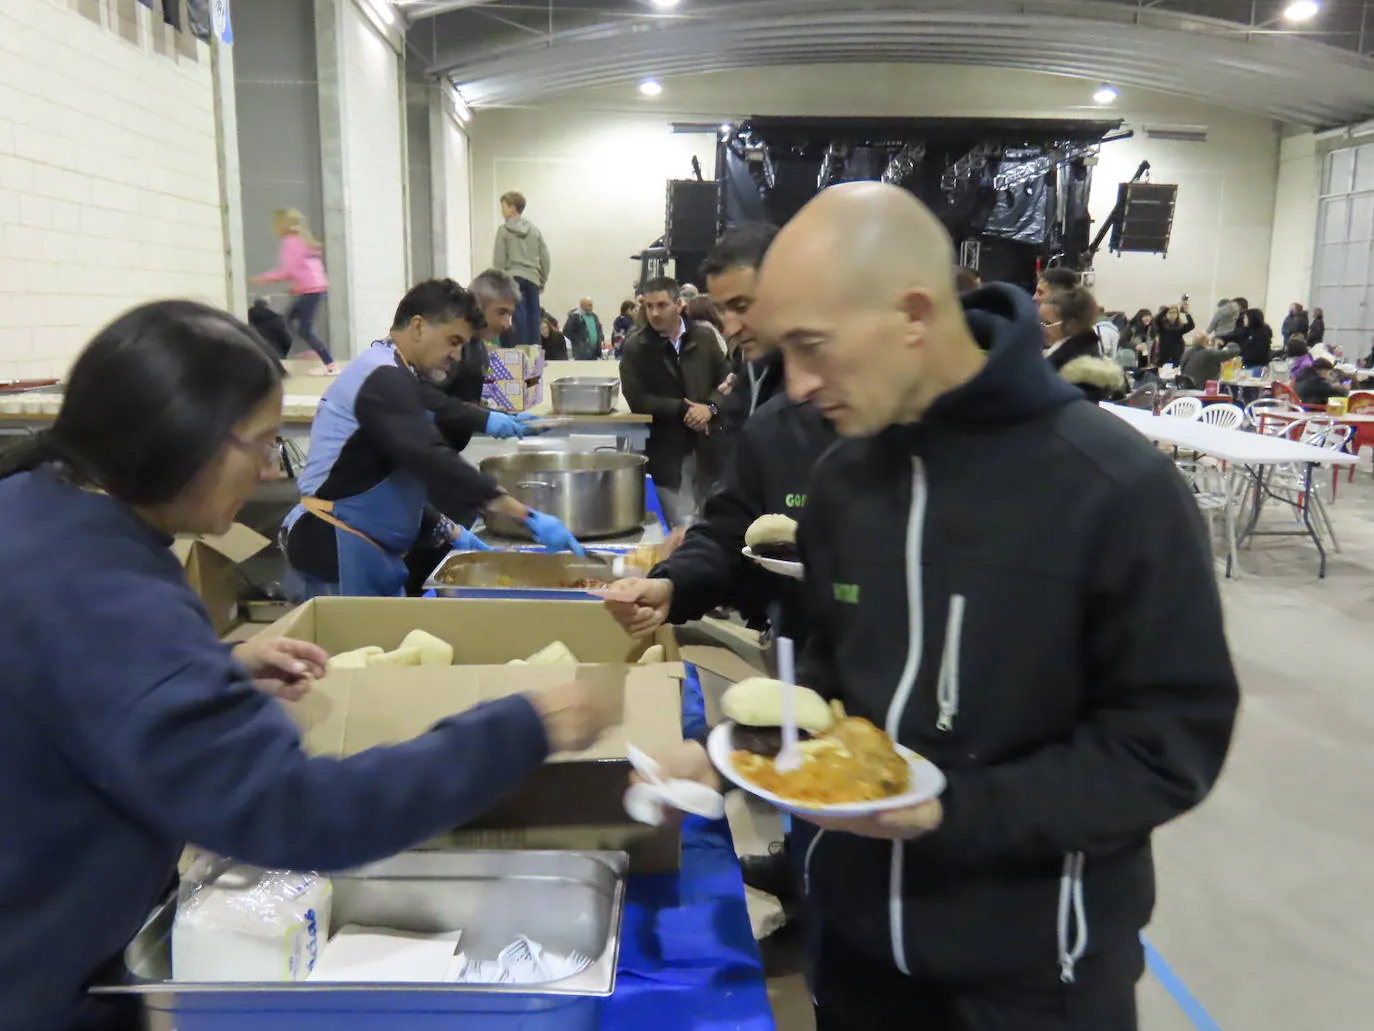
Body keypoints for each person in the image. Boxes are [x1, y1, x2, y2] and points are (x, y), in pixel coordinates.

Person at [639, 182, 1238, 1031]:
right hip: (857, 957)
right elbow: (837, 675)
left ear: (914, 313)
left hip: (1034, 976)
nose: (797, 386)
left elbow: (1166, 748)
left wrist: (950, 810)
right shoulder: (847, 480)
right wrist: (740, 750)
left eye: (814, 348)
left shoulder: (1113, 489)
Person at [0, 300, 619, 1031]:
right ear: (186, 439)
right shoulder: (114, 597)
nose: (272, 468)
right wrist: (527, 724)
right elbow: (299, 813)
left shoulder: (35, 509)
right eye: (263, 444)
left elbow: (69, 685)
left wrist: (213, 667)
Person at [282, 279, 582, 598]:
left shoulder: (397, 371)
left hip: (366, 547)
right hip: (333, 549)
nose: (456, 354)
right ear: (418, 326)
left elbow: (391, 469)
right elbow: (427, 455)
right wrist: (521, 513)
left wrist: (448, 530)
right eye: (453, 341)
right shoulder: (382, 377)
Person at [620, 276, 730, 527]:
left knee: (716, 523)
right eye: (649, 307)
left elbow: (727, 380)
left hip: (711, 447)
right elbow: (637, 399)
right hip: (668, 452)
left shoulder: (704, 337)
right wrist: (682, 409)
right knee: (683, 527)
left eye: (661, 305)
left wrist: (710, 408)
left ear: (679, 304)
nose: (654, 313)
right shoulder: (637, 347)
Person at [251, 208, 337, 374]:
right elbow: (305, 269)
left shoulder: (290, 241)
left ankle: (324, 361)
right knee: (288, 322)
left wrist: (262, 278)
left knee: (303, 328)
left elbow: (287, 270)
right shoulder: (303, 239)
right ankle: (307, 353)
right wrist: (297, 287)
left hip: (309, 291)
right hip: (312, 289)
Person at [492, 191, 551, 347]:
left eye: (503, 206)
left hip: (512, 277)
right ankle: (534, 352)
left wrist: (499, 283)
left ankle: (520, 353)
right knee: (533, 316)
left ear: (512, 208)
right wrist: (542, 279)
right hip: (532, 278)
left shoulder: (503, 230)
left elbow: (499, 260)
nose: (502, 210)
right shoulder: (534, 230)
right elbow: (545, 257)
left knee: (518, 316)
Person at [1039, 285, 1102, 371]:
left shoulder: (1075, 369)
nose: (1042, 328)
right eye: (1040, 322)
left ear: (1071, 324)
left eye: (1048, 323)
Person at [1221, 307, 1275, 377]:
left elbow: (1258, 353)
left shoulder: (1261, 334)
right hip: (1247, 365)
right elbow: (1234, 335)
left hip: (1257, 366)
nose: (1244, 320)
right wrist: (1221, 339)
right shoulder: (1246, 331)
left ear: (1251, 319)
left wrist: (1241, 354)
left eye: (1245, 318)